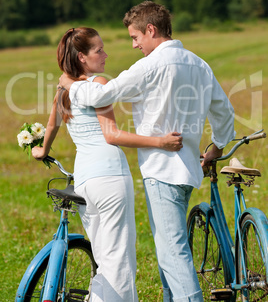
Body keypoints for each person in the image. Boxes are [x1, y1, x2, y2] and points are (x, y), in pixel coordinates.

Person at [59, 2, 236, 302]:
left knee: (173, 256)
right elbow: (225, 113)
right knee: (169, 251)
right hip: (189, 170)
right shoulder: (199, 64)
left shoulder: (151, 65)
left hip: (161, 171)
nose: (134, 45)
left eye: (135, 37)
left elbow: (102, 94)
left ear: (151, 30)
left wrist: (69, 84)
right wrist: (216, 148)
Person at [32, 27, 182, 302]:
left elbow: (52, 122)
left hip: (85, 182)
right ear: (82, 57)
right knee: (120, 265)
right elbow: (111, 135)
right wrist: (160, 142)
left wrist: (43, 149)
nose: (105, 54)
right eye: (99, 50)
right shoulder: (97, 83)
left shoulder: (64, 89)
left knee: (105, 258)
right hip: (110, 179)